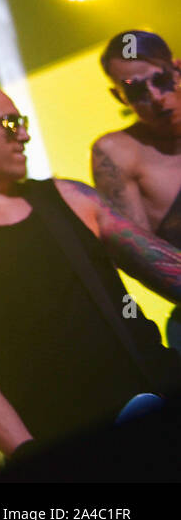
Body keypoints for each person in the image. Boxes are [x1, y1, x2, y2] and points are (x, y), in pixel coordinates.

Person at [0, 81, 181, 462]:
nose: (25, 134)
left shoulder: (70, 198)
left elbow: (170, 270)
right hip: (82, 445)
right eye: (9, 123)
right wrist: (35, 460)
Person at [91, 30, 181, 351]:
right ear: (119, 97)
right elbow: (137, 254)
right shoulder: (117, 152)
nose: (156, 97)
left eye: (161, 80)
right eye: (137, 90)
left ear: (178, 70)